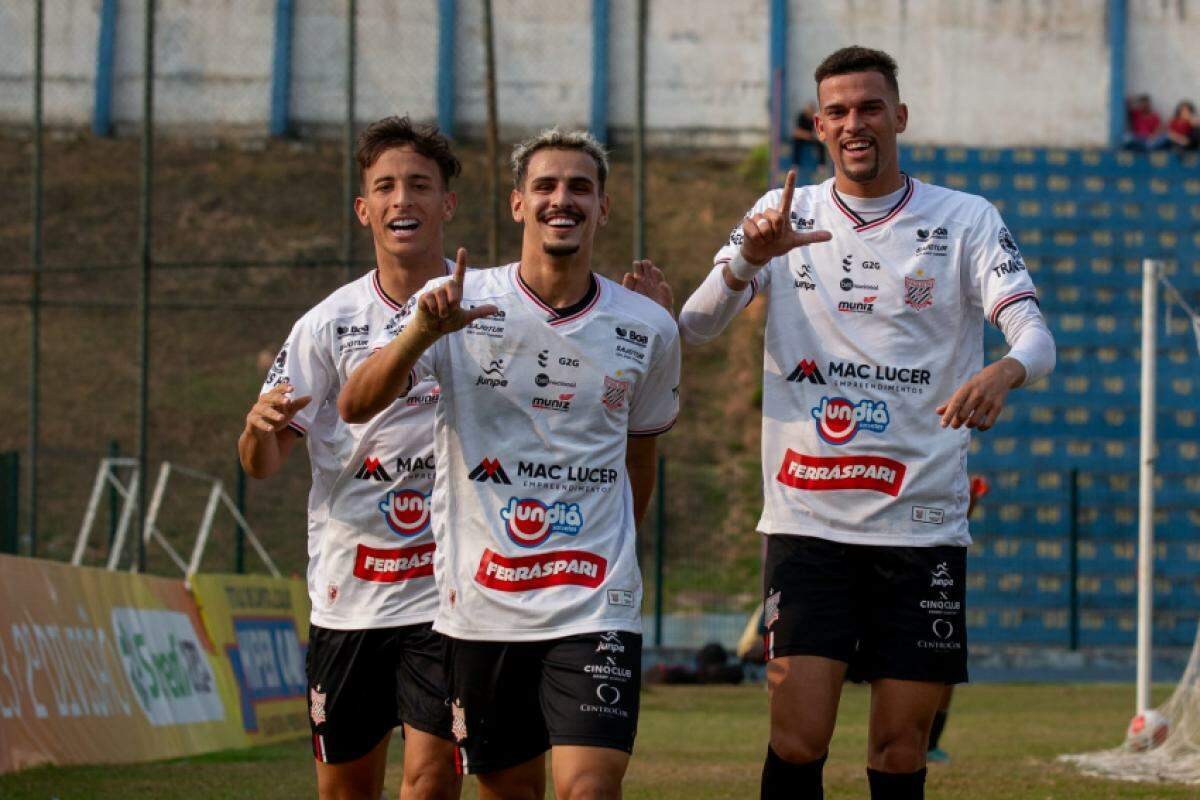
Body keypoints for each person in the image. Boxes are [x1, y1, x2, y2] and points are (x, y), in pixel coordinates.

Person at [677, 46, 1056, 800]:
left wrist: (1003, 370)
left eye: (871, 107)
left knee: (899, 750)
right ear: (819, 126)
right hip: (809, 522)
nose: (856, 123)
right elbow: (693, 326)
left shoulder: (965, 219)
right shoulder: (784, 216)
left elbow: (1036, 336)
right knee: (797, 738)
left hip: (921, 528)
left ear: (899, 117)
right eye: (839, 111)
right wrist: (747, 259)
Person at [339, 129, 680, 800]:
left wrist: (620, 553)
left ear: (603, 208)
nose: (564, 200)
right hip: (483, 607)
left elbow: (642, 454)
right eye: (546, 187)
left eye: (580, 187)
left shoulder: (648, 327)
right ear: (517, 204)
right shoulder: (455, 303)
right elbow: (354, 402)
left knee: (590, 789)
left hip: (594, 602)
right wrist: (419, 334)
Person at [237, 115, 463, 800]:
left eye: (420, 185)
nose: (404, 200)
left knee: (428, 786)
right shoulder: (327, 324)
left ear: (446, 204)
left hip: (449, 597)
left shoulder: (485, 310)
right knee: (345, 793)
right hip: (351, 598)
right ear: (364, 208)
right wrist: (255, 429)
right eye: (386, 187)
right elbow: (264, 462)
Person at [793, 101, 826, 168]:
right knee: (796, 144)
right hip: (802, 138)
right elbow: (797, 132)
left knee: (821, 145)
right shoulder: (801, 117)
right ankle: (796, 164)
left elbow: (817, 130)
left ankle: (821, 165)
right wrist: (806, 135)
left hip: (810, 138)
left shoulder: (814, 119)